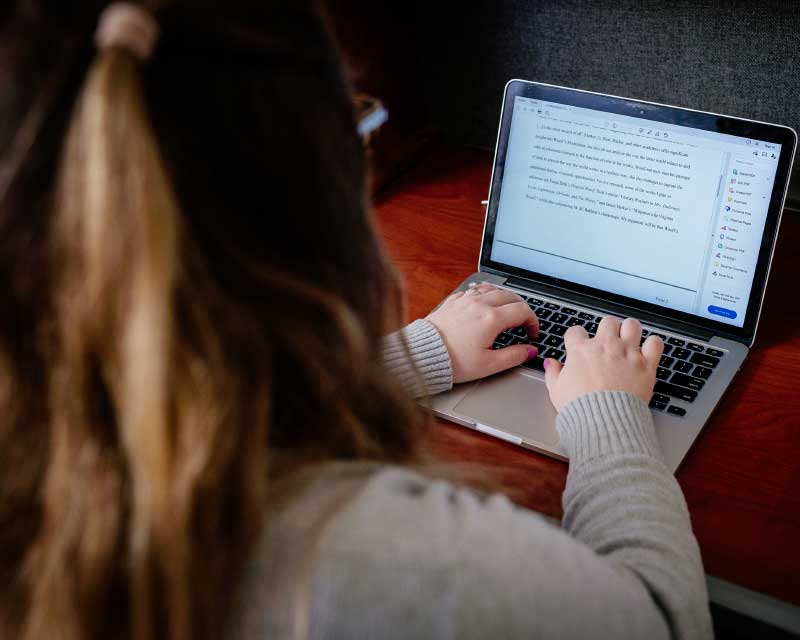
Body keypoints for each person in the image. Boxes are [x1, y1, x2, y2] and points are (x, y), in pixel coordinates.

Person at [0, 1, 712, 639]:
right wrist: (610, 416)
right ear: (315, 182)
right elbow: (666, 621)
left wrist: (417, 353)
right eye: (359, 120)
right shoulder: (391, 566)